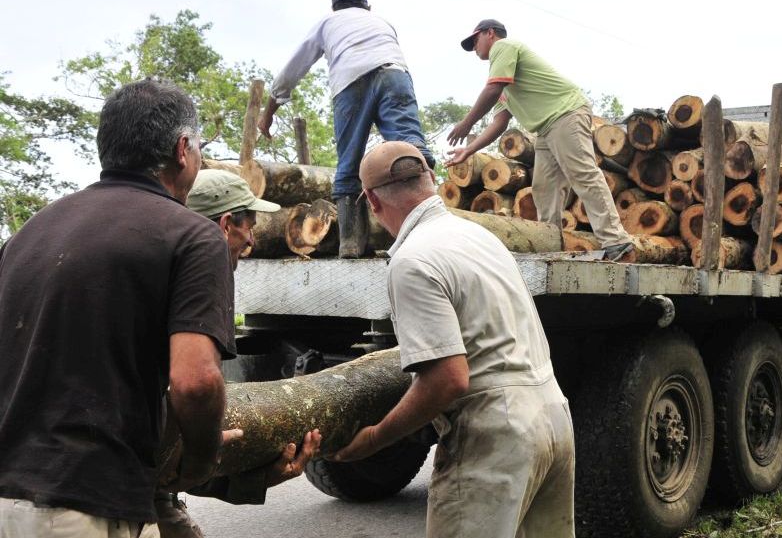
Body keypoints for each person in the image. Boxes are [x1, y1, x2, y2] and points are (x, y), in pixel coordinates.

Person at [0, 79, 235, 538]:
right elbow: (196, 383)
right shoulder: (192, 234)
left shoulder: (29, 233)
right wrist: (203, 461)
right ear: (183, 149)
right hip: (82, 505)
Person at [334, 142, 575, 538]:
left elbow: (448, 378)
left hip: (496, 432)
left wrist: (376, 438)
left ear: (372, 201)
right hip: (553, 417)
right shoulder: (478, 236)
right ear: (431, 179)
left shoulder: (413, 260)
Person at [152, 169, 323, 538]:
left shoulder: (155, 261)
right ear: (227, 224)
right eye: (251, 225)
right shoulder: (195, 277)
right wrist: (204, 462)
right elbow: (192, 391)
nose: (252, 240)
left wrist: (251, 479)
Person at [258, 0, 435, 259]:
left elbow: (295, 66)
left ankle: (351, 244)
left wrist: (268, 111)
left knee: (349, 163)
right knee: (411, 149)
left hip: (350, 82)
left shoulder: (327, 23)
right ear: (368, 8)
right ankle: (431, 230)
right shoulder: (381, 22)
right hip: (395, 75)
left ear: (334, 9)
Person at [446, 19, 634, 261]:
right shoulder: (502, 75)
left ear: (490, 33)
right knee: (544, 188)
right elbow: (499, 123)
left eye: (475, 40)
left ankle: (617, 242)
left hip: (566, 113)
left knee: (583, 174)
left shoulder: (503, 48)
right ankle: (551, 247)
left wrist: (467, 123)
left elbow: (491, 91)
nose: (474, 48)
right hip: (546, 128)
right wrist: (468, 150)